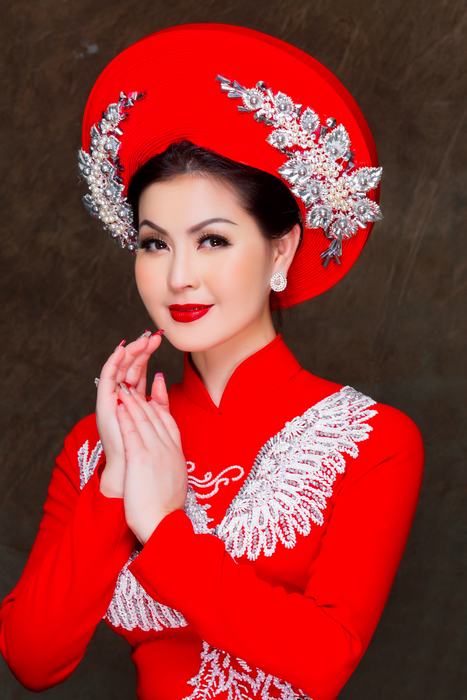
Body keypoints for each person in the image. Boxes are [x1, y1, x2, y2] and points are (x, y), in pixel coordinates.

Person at [0, 22, 424, 700]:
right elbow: (32, 658)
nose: (178, 279)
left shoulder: (371, 441)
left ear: (281, 250)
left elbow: (324, 660)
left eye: (213, 241)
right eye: (154, 244)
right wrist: (115, 482)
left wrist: (164, 532)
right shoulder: (95, 446)